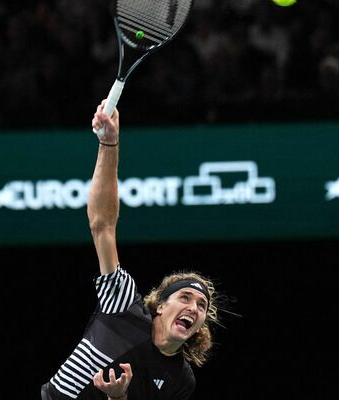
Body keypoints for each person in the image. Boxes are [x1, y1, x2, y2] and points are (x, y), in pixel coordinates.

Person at [40, 102, 222, 400]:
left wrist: (117, 398)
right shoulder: (123, 304)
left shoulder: (182, 380)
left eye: (201, 306)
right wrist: (109, 143)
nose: (194, 308)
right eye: (185, 297)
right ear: (160, 305)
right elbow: (103, 225)